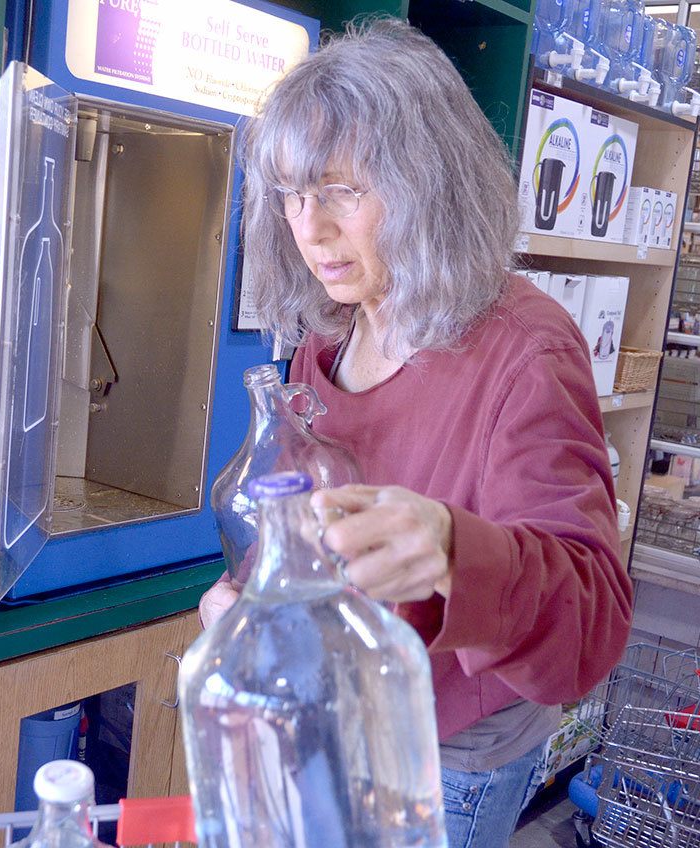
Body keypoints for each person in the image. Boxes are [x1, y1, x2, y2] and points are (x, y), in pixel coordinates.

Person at [199, 18, 632, 848]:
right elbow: (310, 520)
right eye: (292, 193)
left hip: (448, 747)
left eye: (342, 191)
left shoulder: (525, 350)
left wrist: (452, 548)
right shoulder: (330, 334)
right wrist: (253, 606)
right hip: (335, 712)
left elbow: (592, 624)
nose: (309, 228)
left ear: (431, 181)